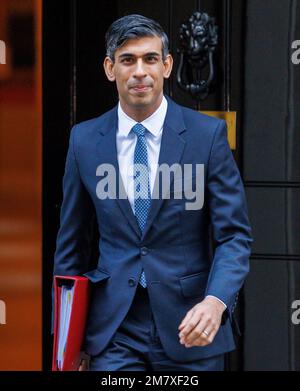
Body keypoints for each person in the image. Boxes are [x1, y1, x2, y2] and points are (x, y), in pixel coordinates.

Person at [53, 14, 253, 371]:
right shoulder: (83, 140)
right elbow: (71, 246)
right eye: (128, 60)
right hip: (112, 332)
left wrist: (216, 301)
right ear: (110, 68)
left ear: (167, 65)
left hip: (191, 325)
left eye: (150, 59)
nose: (140, 71)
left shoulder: (206, 137)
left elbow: (234, 236)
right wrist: (69, 340)